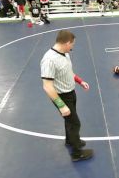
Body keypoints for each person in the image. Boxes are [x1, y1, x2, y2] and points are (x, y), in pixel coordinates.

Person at [40, 30, 94, 162]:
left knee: (70, 121)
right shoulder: (49, 60)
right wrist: (61, 105)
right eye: (72, 44)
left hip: (70, 92)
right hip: (61, 96)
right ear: (67, 42)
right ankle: (77, 154)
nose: (72, 47)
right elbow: (47, 86)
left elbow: (68, 72)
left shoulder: (65, 53)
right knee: (75, 123)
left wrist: (80, 81)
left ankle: (70, 141)